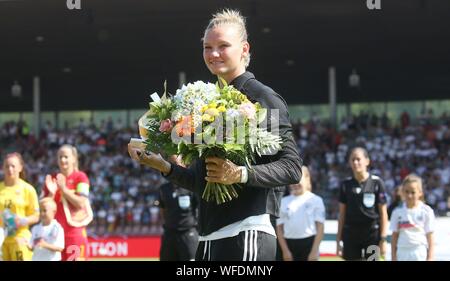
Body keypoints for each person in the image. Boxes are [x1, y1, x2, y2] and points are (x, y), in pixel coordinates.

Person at [128, 9, 302, 261]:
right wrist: (163, 166)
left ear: (244, 49)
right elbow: (205, 182)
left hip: (247, 232)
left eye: (223, 46)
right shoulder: (205, 102)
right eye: (207, 47)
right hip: (208, 237)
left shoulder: (264, 98)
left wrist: (239, 173)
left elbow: (292, 167)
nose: (213, 54)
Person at [41, 144, 93, 261]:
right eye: (60, 157)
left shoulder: (81, 177)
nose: (62, 160)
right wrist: (51, 194)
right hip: (54, 236)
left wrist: (64, 189)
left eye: (66, 157)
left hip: (74, 234)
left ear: (74, 158)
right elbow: (43, 208)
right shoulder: (51, 179)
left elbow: (81, 203)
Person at [336, 147, 388, 261]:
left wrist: (383, 239)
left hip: (372, 234)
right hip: (351, 235)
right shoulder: (345, 185)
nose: (355, 162)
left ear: (367, 161)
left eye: (358, 159)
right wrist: (338, 240)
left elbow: (383, 214)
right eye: (352, 159)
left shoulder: (377, 183)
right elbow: (342, 214)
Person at [276, 166, 325, 261]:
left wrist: (314, 250)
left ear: (307, 179)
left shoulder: (316, 200)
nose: (295, 183)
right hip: (288, 244)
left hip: (309, 244)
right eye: (292, 179)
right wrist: (285, 250)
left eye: (298, 179)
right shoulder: (283, 202)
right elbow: (279, 228)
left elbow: (320, 227)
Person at [0, 152, 40, 261]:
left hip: (20, 238)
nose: (10, 169)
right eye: (7, 166)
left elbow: (36, 216)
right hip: (2, 239)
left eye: (13, 166)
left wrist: (22, 220)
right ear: (2, 168)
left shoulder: (28, 189)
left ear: (20, 168)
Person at [158, 156, 199, 261]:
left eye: (178, 163)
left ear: (185, 165)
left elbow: (198, 208)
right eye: (172, 163)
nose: (175, 165)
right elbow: (162, 209)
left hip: (188, 233)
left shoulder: (192, 187)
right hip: (170, 233)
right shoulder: (164, 189)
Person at [390, 174, 435, 261]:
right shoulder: (397, 212)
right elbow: (394, 236)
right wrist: (393, 257)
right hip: (402, 252)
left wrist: (430, 257)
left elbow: (430, 237)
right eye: (406, 192)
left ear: (420, 192)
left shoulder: (426, 211)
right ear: (402, 192)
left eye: (413, 192)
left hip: (419, 251)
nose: (409, 195)